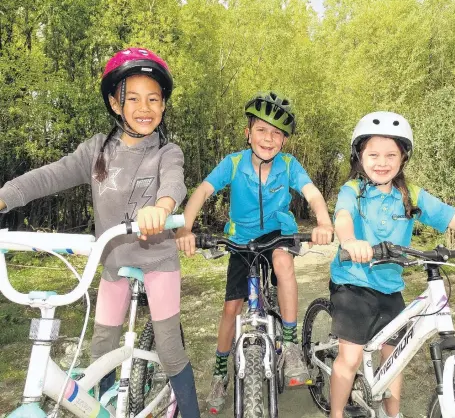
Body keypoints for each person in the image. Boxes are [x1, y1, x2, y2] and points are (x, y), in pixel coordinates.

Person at [0, 47, 200, 417]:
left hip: (159, 262)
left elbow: (174, 183)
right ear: (114, 102)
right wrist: (5, 197)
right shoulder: (97, 151)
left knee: (171, 351)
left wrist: (162, 208)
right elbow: (50, 175)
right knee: (102, 350)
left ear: (164, 105)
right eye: (133, 98)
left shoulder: (167, 151)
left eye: (154, 99)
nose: (145, 107)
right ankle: (107, 409)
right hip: (112, 263)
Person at [175, 91, 334, 414]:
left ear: (284, 142)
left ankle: (289, 343)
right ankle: (220, 373)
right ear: (248, 134)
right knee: (232, 306)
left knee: (281, 261)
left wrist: (323, 221)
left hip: (278, 234)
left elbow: (312, 193)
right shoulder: (233, 163)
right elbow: (203, 191)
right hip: (242, 240)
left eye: (277, 133)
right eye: (262, 130)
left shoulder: (288, 165)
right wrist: (184, 228)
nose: (269, 138)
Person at [329, 111, 455, 418]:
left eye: (390, 155)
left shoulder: (409, 195)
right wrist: (349, 241)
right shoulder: (353, 191)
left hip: (390, 286)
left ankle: (393, 413)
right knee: (351, 356)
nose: (381, 162)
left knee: (396, 356)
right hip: (353, 283)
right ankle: (336, 413)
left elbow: (452, 217)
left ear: (402, 158)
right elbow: (343, 217)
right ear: (360, 156)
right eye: (373, 154)